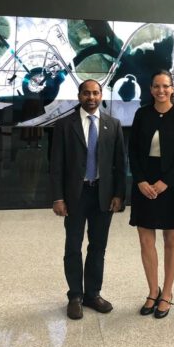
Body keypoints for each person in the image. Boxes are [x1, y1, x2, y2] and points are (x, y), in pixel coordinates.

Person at [50, 79, 126, 320]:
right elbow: (56, 165)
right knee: (73, 246)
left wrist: (119, 195)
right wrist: (58, 198)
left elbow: (119, 164)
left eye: (95, 93)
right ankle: (75, 295)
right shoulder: (64, 125)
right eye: (86, 93)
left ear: (101, 95)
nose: (91, 97)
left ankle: (93, 294)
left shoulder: (112, 125)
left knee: (98, 246)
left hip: (103, 196)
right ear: (79, 95)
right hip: (75, 195)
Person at [128, 70, 174, 319]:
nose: (161, 90)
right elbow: (132, 151)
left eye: (165, 86)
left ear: (173, 88)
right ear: (151, 89)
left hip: (172, 183)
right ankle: (152, 291)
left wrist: (166, 181)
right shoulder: (141, 114)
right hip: (144, 183)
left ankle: (167, 292)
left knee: (171, 238)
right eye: (156, 86)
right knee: (146, 239)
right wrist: (141, 181)